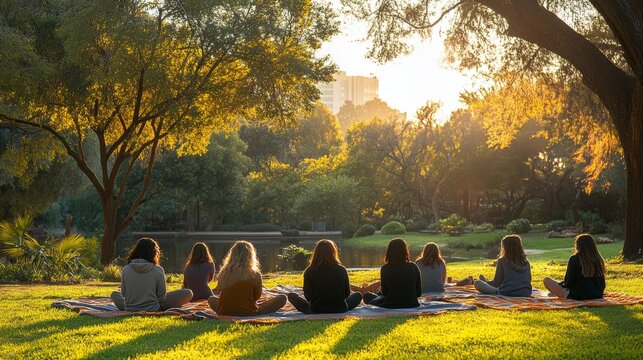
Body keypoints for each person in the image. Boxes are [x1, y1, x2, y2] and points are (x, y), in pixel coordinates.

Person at [111, 238, 193, 311]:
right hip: (153, 307)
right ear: (154, 253)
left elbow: (124, 294)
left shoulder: (126, 269)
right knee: (188, 293)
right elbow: (161, 297)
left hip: (130, 307)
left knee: (115, 294)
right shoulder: (158, 270)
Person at [207, 241, 286, 316]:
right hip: (248, 312)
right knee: (282, 298)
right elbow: (257, 296)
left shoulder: (223, 272)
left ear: (232, 255)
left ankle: (230, 309)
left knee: (211, 299)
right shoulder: (255, 274)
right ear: (251, 255)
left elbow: (220, 290)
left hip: (223, 311)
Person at [287, 239, 363, 314]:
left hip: (316, 309)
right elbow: (347, 293)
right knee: (358, 295)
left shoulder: (309, 271)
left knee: (292, 296)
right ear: (333, 253)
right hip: (340, 309)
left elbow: (308, 297)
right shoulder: (341, 269)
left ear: (316, 253)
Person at [362, 238, 422, 308]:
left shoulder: (385, 268)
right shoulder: (414, 267)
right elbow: (418, 293)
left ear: (389, 251)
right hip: (412, 304)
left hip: (390, 304)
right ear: (405, 251)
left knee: (367, 295)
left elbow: (384, 293)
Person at [543, 234, 606, 300]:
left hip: (576, 296)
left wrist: (561, 284)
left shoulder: (574, 259)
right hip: (597, 295)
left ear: (578, 245)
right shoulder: (599, 260)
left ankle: (554, 293)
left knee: (546, 280)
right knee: (556, 287)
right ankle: (553, 293)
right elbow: (602, 283)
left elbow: (568, 283)